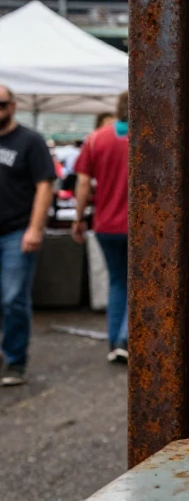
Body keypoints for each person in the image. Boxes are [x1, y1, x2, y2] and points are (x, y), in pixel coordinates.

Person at [0, 84, 56, 386]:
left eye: (1, 104)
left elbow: (44, 186)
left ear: (13, 106)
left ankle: (15, 361)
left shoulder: (29, 141)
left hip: (16, 231)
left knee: (13, 299)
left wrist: (35, 228)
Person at [71, 92, 131, 363]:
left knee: (117, 282)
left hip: (105, 223)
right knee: (138, 283)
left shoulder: (96, 139)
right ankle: (125, 339)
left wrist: (78, 218)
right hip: (139, 226)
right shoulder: (151, 137)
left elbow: (83, 184)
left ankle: (113, 341)